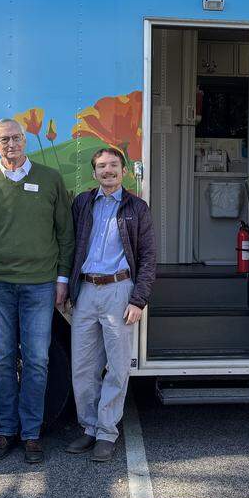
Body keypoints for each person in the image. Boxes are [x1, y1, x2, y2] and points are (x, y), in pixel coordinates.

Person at [0, 118, 74, 464]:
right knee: (1, 359)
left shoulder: (50, 179)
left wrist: (62, 279)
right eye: (4, 140)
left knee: (37, 359)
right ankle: (5, 431)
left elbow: (65, 233)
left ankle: (31, 434)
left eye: (16, 138)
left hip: (40, 284)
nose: (11, 144)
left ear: (25, 141)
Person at [66, 148, 156, 461]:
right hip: (86, 291)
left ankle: (107, 432)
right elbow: (70, 246)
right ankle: (88, 429)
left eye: (113, 165)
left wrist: (138, 298)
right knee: (83, 367)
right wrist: (68, 288)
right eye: (102, 167)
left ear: (124, 171)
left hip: (120, 290)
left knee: (117, 367)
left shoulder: (137, 207)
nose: (108, 171)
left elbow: (147, 257)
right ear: (94, 173)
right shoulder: (82, 203)